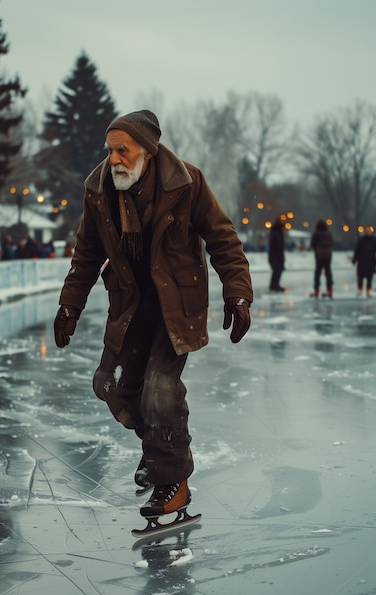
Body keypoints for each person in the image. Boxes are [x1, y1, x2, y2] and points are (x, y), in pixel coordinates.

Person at [53, 110, 253, 525]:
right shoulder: (100, 190)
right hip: (130, 304)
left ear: (147, 150)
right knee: (110, 386)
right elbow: (87, 251)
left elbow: (222, 238)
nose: (114, 160)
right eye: (110, 151)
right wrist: (70, 304)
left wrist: (238, 294)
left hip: (177, 305)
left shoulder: (186, 182)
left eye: (122, 150)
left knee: (160, 389)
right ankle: (162, 455)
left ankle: (172, 484)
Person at [310, 219, 333, 298]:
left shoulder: (316, 234)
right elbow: (332, 243)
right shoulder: (328, 233)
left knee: (318, 273)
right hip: (328, 255)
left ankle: (316, 290)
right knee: (328, 272)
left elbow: (312, 244)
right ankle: (330, 289)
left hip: (319, 255)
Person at [352, 226, 376, 297]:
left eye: (369, 231)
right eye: (367, 230)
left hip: (371, 261)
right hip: (362, 260)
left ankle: (368, 290)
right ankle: (360, 289)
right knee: (360, 276)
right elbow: (357, 250)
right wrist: (354, 259)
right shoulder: (361, 240)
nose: (368, 232)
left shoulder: (374, 240)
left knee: (369, 277)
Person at [268, 217, 285, 292]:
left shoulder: (274, 233)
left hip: (273, 255)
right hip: (276, 256)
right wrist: (281, 256)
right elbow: (278, 246)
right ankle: (274, 285)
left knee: (277, 270)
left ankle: (274, 285)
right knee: (277, 270)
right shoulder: (277, 234)